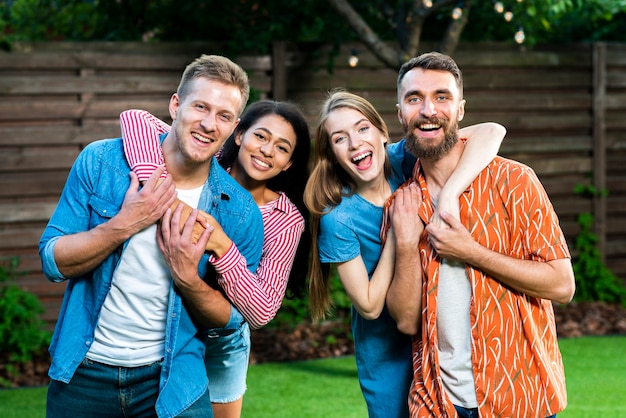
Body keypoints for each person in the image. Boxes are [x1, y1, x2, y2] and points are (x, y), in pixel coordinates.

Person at [39, 54, 264, 418]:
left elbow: (230, 318)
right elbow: (53, 261)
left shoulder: (238, 210)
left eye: (223, 116)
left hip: (174, 379)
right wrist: (125, 223)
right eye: (200, 107)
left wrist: (188, 279)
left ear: (234, 127)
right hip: (83, 373)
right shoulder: (102, 162)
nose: (209, 124)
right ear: (175, 105)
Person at [387, 51, 576, 418]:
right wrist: (408, 243)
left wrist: (472, 252)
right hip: (436, 402)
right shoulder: (402, 204)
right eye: (415, 99)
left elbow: (561, 285)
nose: (428, 110)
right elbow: (407, 321)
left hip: (521, 396)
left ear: (460, 110)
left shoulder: (515, 182)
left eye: (442, 97)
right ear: (400, 114)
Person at [304, 90, 505, 418]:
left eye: (363, 129)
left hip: (439, 345)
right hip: (388, 357)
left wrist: (451, 193)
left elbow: (492, 132)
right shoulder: (338, 217)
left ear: (383, 133)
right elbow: (368, 306)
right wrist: (399, 233)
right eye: (340, 139)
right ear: (331, 154)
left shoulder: (403, 159)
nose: (355, 143)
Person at [118, 100, 311, 418]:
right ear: (238, 134)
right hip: (164, 322)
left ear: (289, 163)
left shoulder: (284, 218)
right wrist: (154, 186)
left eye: (281, 147)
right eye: (260, 136)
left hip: (221, 340)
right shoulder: (203, 163)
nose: (266, 150)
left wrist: (222, 246)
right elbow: (135, 117)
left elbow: (262, 311)